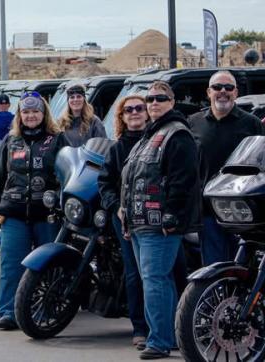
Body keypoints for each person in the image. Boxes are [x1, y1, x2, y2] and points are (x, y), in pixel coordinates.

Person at [119, 81, 200, 359]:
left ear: (172, 101)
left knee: (154, 280)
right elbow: (131, 179)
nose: (154, 103)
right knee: (155, 281)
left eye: (160, 99)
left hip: (160, 225)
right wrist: (126, 216)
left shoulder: (177, 134)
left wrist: (171, 217)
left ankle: (159, 341)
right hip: (140, 222)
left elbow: (184, 181)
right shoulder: (150, 134)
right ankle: (171, 336)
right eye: (150, 99)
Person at [0, 93, 69, 331]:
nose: (31, 116)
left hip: (47, 213)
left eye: (35, 112)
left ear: (43, 114)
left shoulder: (58, 139)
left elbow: (67, 175)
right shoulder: (10, 139)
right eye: (26, 112)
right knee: (11, 263)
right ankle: (8, 312)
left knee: (48, 265)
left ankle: (47, 308)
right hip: (14, 211)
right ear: (19, 115)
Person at [188, 70, 265, 266]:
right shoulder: (193, 123)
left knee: (245, 268)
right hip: (208, 210)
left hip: (243, 211)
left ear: (236, 93)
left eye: (228, 87)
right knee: (214, 268)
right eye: (217, 87)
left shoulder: (252, 123)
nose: (223, 91)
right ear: (208, 92)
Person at [97, 95, 151, 349]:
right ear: (121, 117)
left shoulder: (158, 141)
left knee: (161, 274)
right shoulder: (116, 149)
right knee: (134, 273)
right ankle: (139, 327)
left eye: (139, 108)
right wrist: (114, 207)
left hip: (156, 217)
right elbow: (105, 183)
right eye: (128, 110)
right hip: (126, 219)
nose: (134, 113)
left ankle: (168, 325)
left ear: (147, 113)